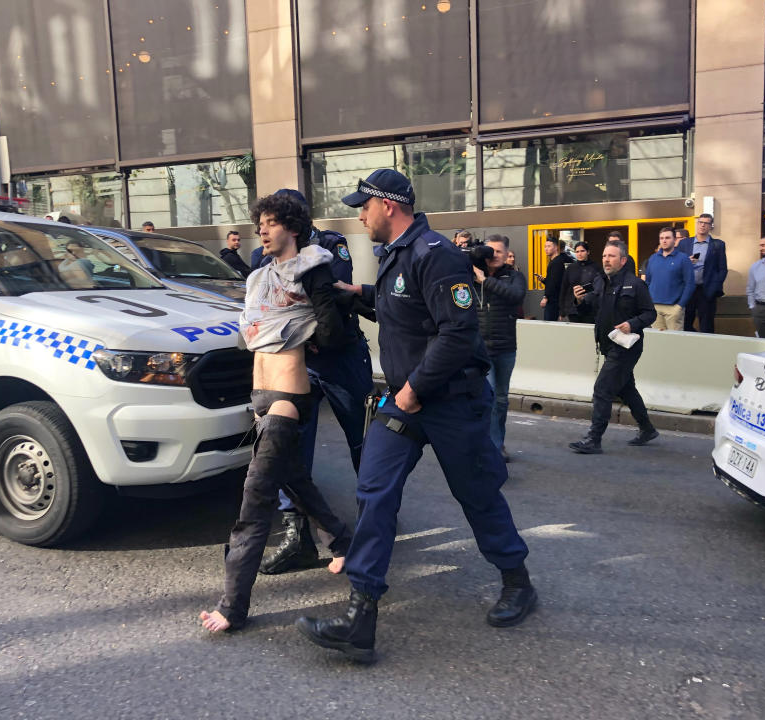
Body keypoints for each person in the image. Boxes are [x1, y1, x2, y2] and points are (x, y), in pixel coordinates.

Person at [296, 169, 535, 663]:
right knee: (374, 490)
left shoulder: (436, 254)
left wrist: (412, 391)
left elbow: (455, 334)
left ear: (390, 205)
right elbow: (402, 311)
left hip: (448, 401)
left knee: (477, 494)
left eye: (364, 204)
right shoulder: (396, 256)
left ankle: (518, 581)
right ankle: (360, 621)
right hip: (407, 401)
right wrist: (356, 294)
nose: (359, 213)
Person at [199, 194, 353, 633]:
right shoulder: (259, 276)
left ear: (293, 227)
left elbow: (334, 331)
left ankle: (233, 606)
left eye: (270, 223)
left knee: (256, 496)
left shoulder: (313, 270)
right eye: (260, 223)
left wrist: (309, 336)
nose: (262, 230)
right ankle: (342, 542)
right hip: (261, 393)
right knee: (295, 481)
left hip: (288, 395)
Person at [258, 188, 374, 576]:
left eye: (276, 220)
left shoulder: (329, 246)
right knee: (290, 450)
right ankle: (297, 537)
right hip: (299, 363)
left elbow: (332, 297)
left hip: (340, 359)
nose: (267, 229)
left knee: (363, 441)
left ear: (297, 219)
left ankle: (376, 517)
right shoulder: (268, 257)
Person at [569, 240, 658, 454]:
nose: (606, 260)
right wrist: (580, 300)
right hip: (607, 345)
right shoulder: (602, 282)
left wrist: (632, 324)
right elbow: (592, 307)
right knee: (626, 390)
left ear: (623, 260)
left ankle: (594, 438)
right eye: (604, 256)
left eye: (611, 256)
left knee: (602, 389)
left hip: (626, 347)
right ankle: (647, 429)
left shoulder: (635, 284)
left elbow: (650, 313)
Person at [472, 234, 526, 461]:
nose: (494, 255)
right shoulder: (468, 275)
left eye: (499, 252)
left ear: (507, 255)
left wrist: (486, 281)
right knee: (491, 398)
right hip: (479, 349)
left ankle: (498, 443)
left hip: (506, 348)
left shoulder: (514, 277)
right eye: (490, 251)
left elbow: (516, 296)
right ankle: (490, 449)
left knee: (501, 400)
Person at [678, 214, 727, 333]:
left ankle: (706, 349)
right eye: (700, 222)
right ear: (697, 224)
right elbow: (677, 265)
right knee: (684, 324)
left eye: (706, 223)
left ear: (710, 226)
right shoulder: (684, 244)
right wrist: (686, 262)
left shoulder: (718, 244)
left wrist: (714, 286)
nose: (703, 225)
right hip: (688, 289)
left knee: (707, 325)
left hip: (707, 290)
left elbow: (722, 269)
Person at [645, 227, 695, 331]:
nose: (664, 240)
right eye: (661, 238)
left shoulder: (683, 259)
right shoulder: (653, 258)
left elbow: (690, 284)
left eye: (667, 237)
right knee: (658, 342)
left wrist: (680, 306)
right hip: (655, 308)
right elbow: (648, 282)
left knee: (674, 344)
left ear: (674, 240)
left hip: (674, 308)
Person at [560, 241, 602, 324]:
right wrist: (562, 310)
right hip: (573, 309)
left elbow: (600, 289)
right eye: (577, 251)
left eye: (582, 251)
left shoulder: (596, 267)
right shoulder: (570, 268)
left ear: (588, 252)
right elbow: (564, 288)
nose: (580, 254)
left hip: (590, 309)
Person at [539, 237, 567, 321]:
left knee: (549, 325)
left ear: (555, 247)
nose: (546, 249)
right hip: (554, 300)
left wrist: (545, 297)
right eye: (545, 246)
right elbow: (553, 281)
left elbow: (554, 283)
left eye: (549, 246)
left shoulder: (557, 262)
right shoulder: (553, 262)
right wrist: (544, 280)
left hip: (554, 301)